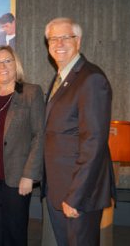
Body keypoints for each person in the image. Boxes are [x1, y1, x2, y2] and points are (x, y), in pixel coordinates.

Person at [43, 17, 116, 246]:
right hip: (59, 189)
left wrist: (75, 196)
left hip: (77, 194)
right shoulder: (60, 78)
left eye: (67, 37)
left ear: (79, 41)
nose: (59, 43)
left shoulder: (91, 79)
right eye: (53, 38)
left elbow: (93, 141)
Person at [0, 45, 45, 246]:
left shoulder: (31, 92)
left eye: (7, 61)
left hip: (17, 177)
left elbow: (39, 135)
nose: (2, 66)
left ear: (16, 65)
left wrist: (29, 175)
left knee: (14, 232)